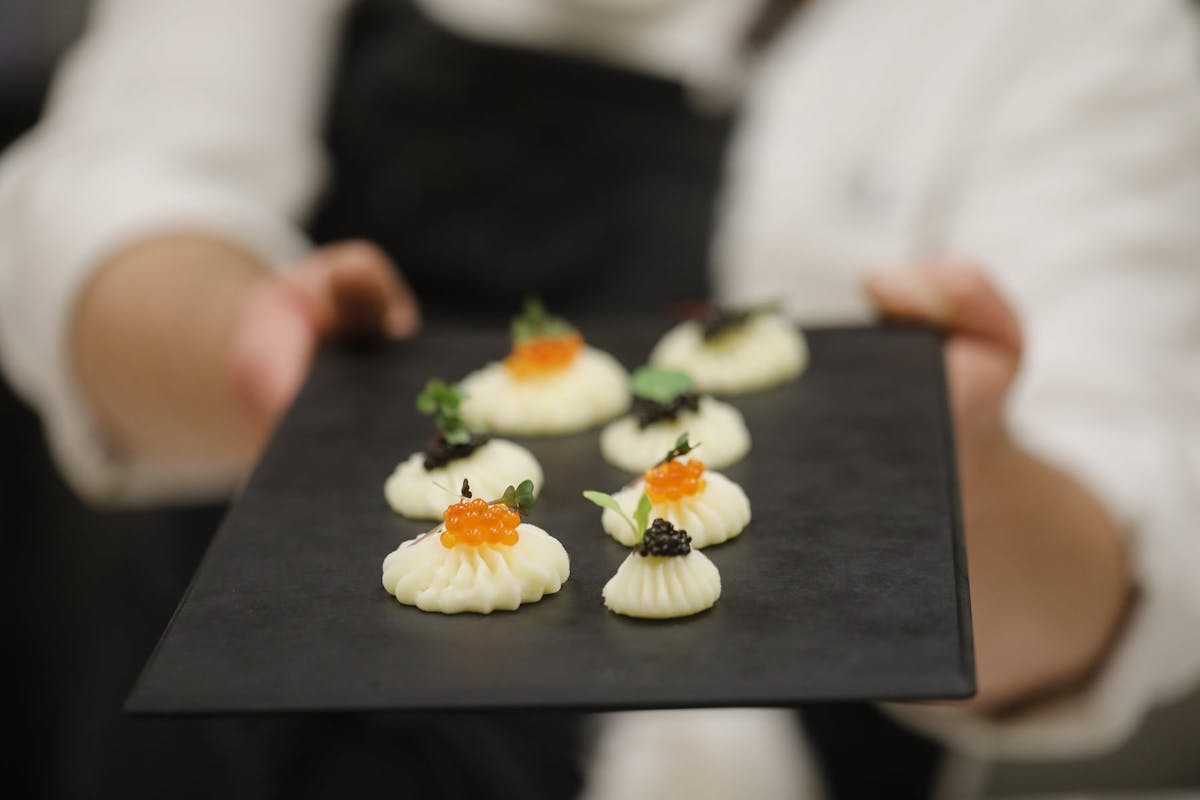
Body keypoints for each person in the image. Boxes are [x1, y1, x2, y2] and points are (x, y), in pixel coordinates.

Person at [1, 0, 1198, 796]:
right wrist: (239, 344)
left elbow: (1119, 556)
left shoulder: (1081, 29)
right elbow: (107, 189)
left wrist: (958, 475)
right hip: (188, 696)